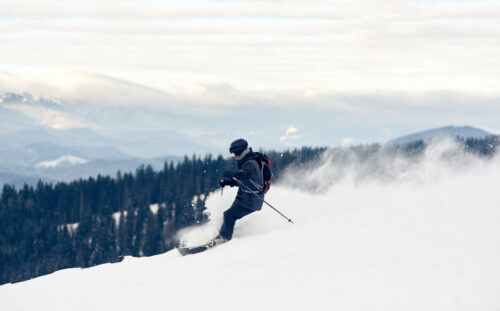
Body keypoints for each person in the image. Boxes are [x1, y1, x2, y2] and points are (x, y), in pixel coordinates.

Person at [211, 138, 265, 245]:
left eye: (234, 155)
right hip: (245, 197)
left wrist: (232, 174)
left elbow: (245, 175)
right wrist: (229, 182)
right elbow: (246, 182)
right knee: (229, 214)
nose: (234, 157)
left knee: (229, 215)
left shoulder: (250, 164)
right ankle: (222, 234)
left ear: (241, 152)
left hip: (251, 200)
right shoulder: (248, 160)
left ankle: (225, 238)